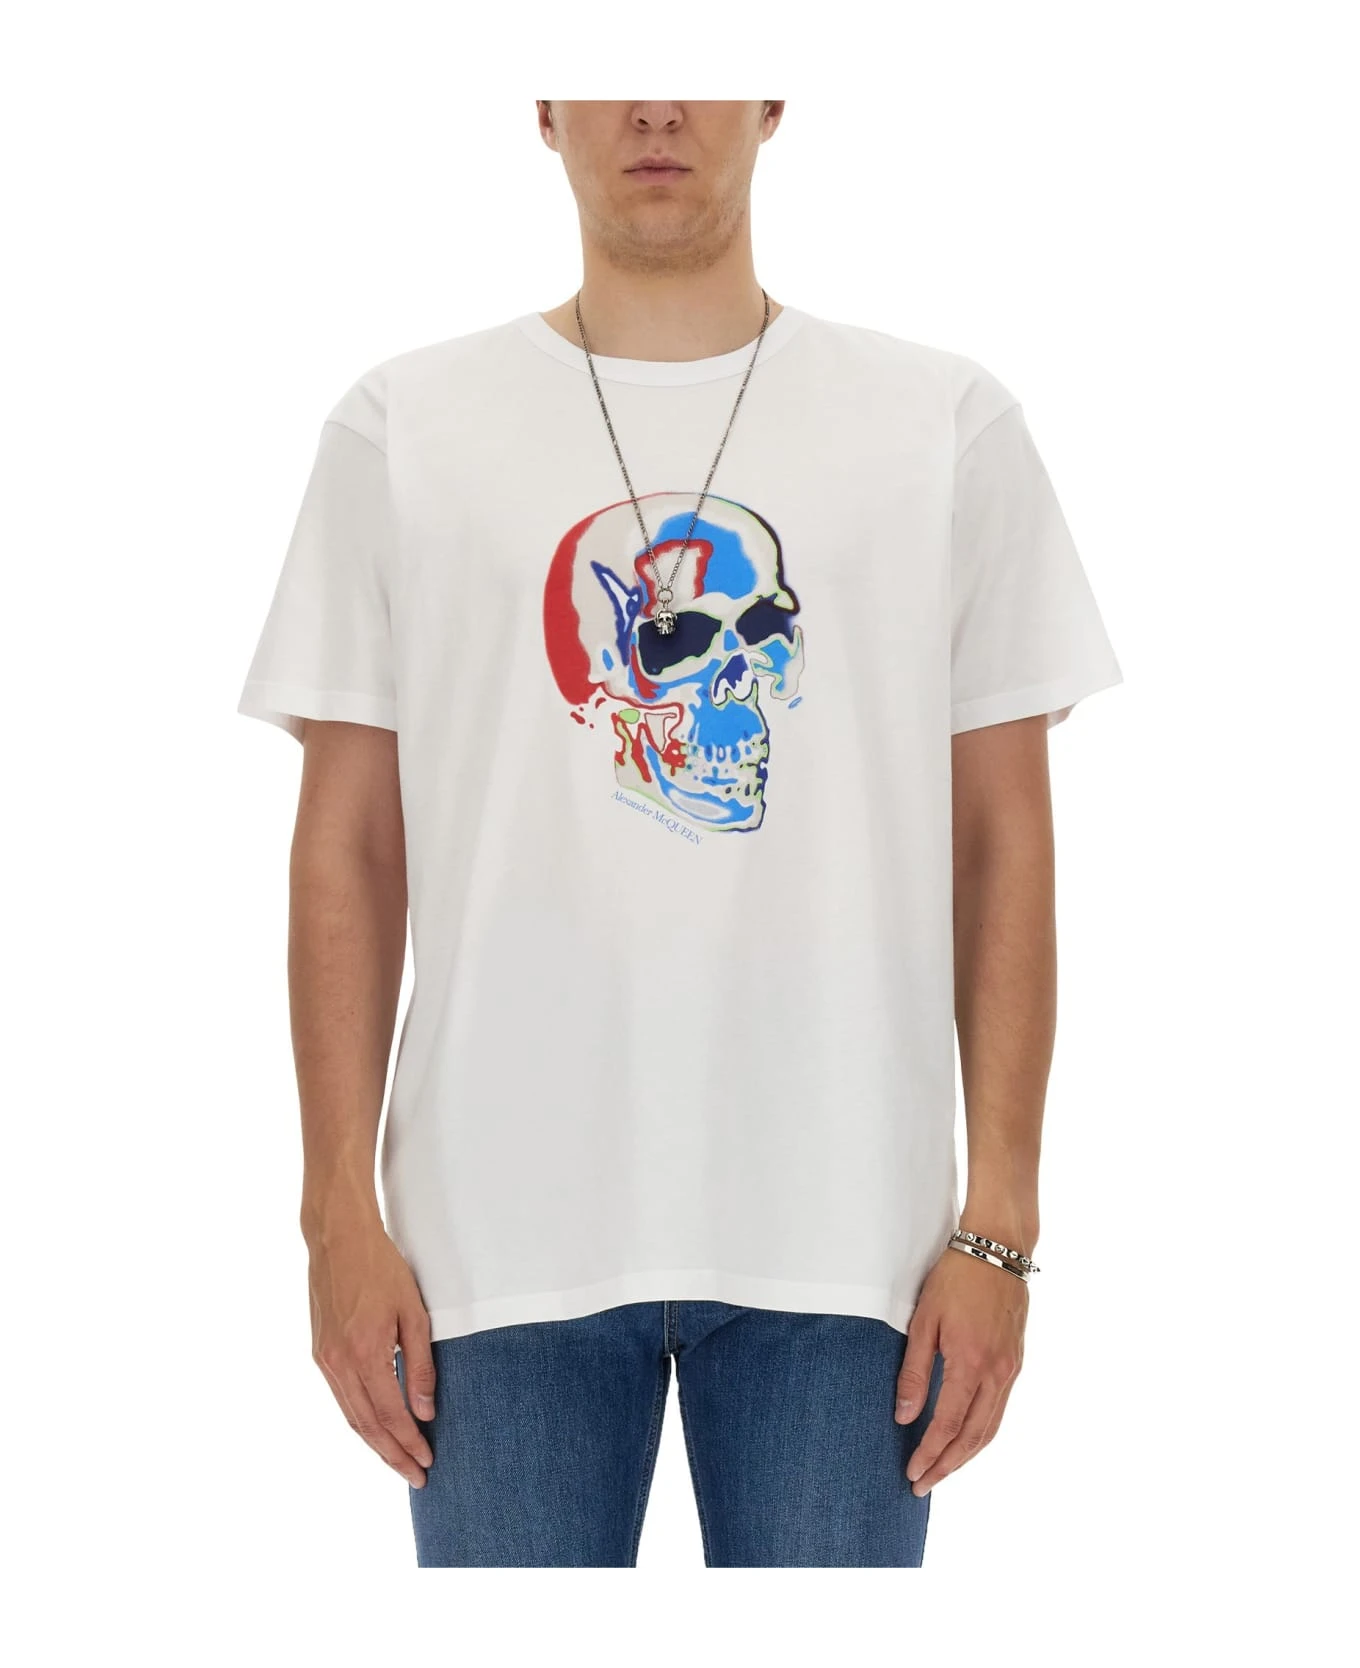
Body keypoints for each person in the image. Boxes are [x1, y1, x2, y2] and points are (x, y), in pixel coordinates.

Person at [236, 99, 1123, 1568]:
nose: (657, 104)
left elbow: (1001, 841)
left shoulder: (943, 424)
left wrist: (1000, 1228)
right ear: (542, 104)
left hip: (853, 1251)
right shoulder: (404, 427)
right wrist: (336, 1214)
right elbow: (350, 846)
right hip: (491, 1249)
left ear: (774, 95)